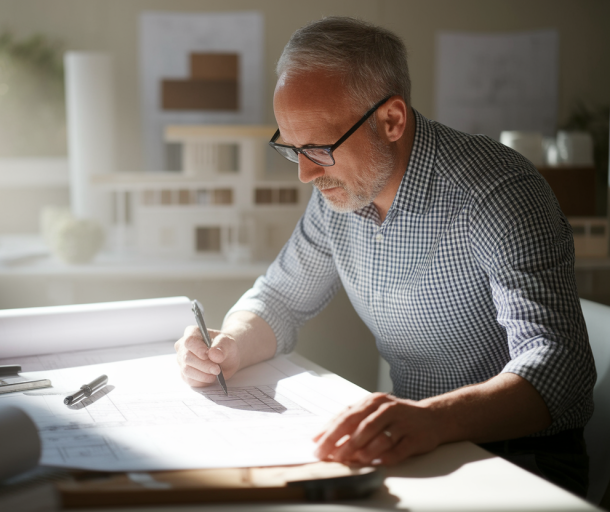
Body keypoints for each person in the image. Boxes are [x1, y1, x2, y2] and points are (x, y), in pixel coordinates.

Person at [174, 16, 596, 496]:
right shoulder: (342, 191)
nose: (306, 175)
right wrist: (227, 344)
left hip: (522, 461)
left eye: (319, 148)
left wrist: (432, 420)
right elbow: (279, 299)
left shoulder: (497, 193)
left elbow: (562, 366)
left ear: (392, 120)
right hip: (418, 446)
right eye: (292, 149)